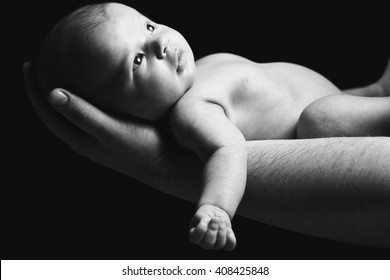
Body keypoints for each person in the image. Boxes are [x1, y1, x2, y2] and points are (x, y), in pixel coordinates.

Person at [32, 2, 390, 250]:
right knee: (321, 119)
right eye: (138, 60)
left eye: (148, 25)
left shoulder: (199, 69)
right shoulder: (192, 113)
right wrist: (217, 206)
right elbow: (227, 149)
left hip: (343, 99)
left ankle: (375, 94)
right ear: (123, 114)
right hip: (332, 126)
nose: (161, 41)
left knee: (329, 109)